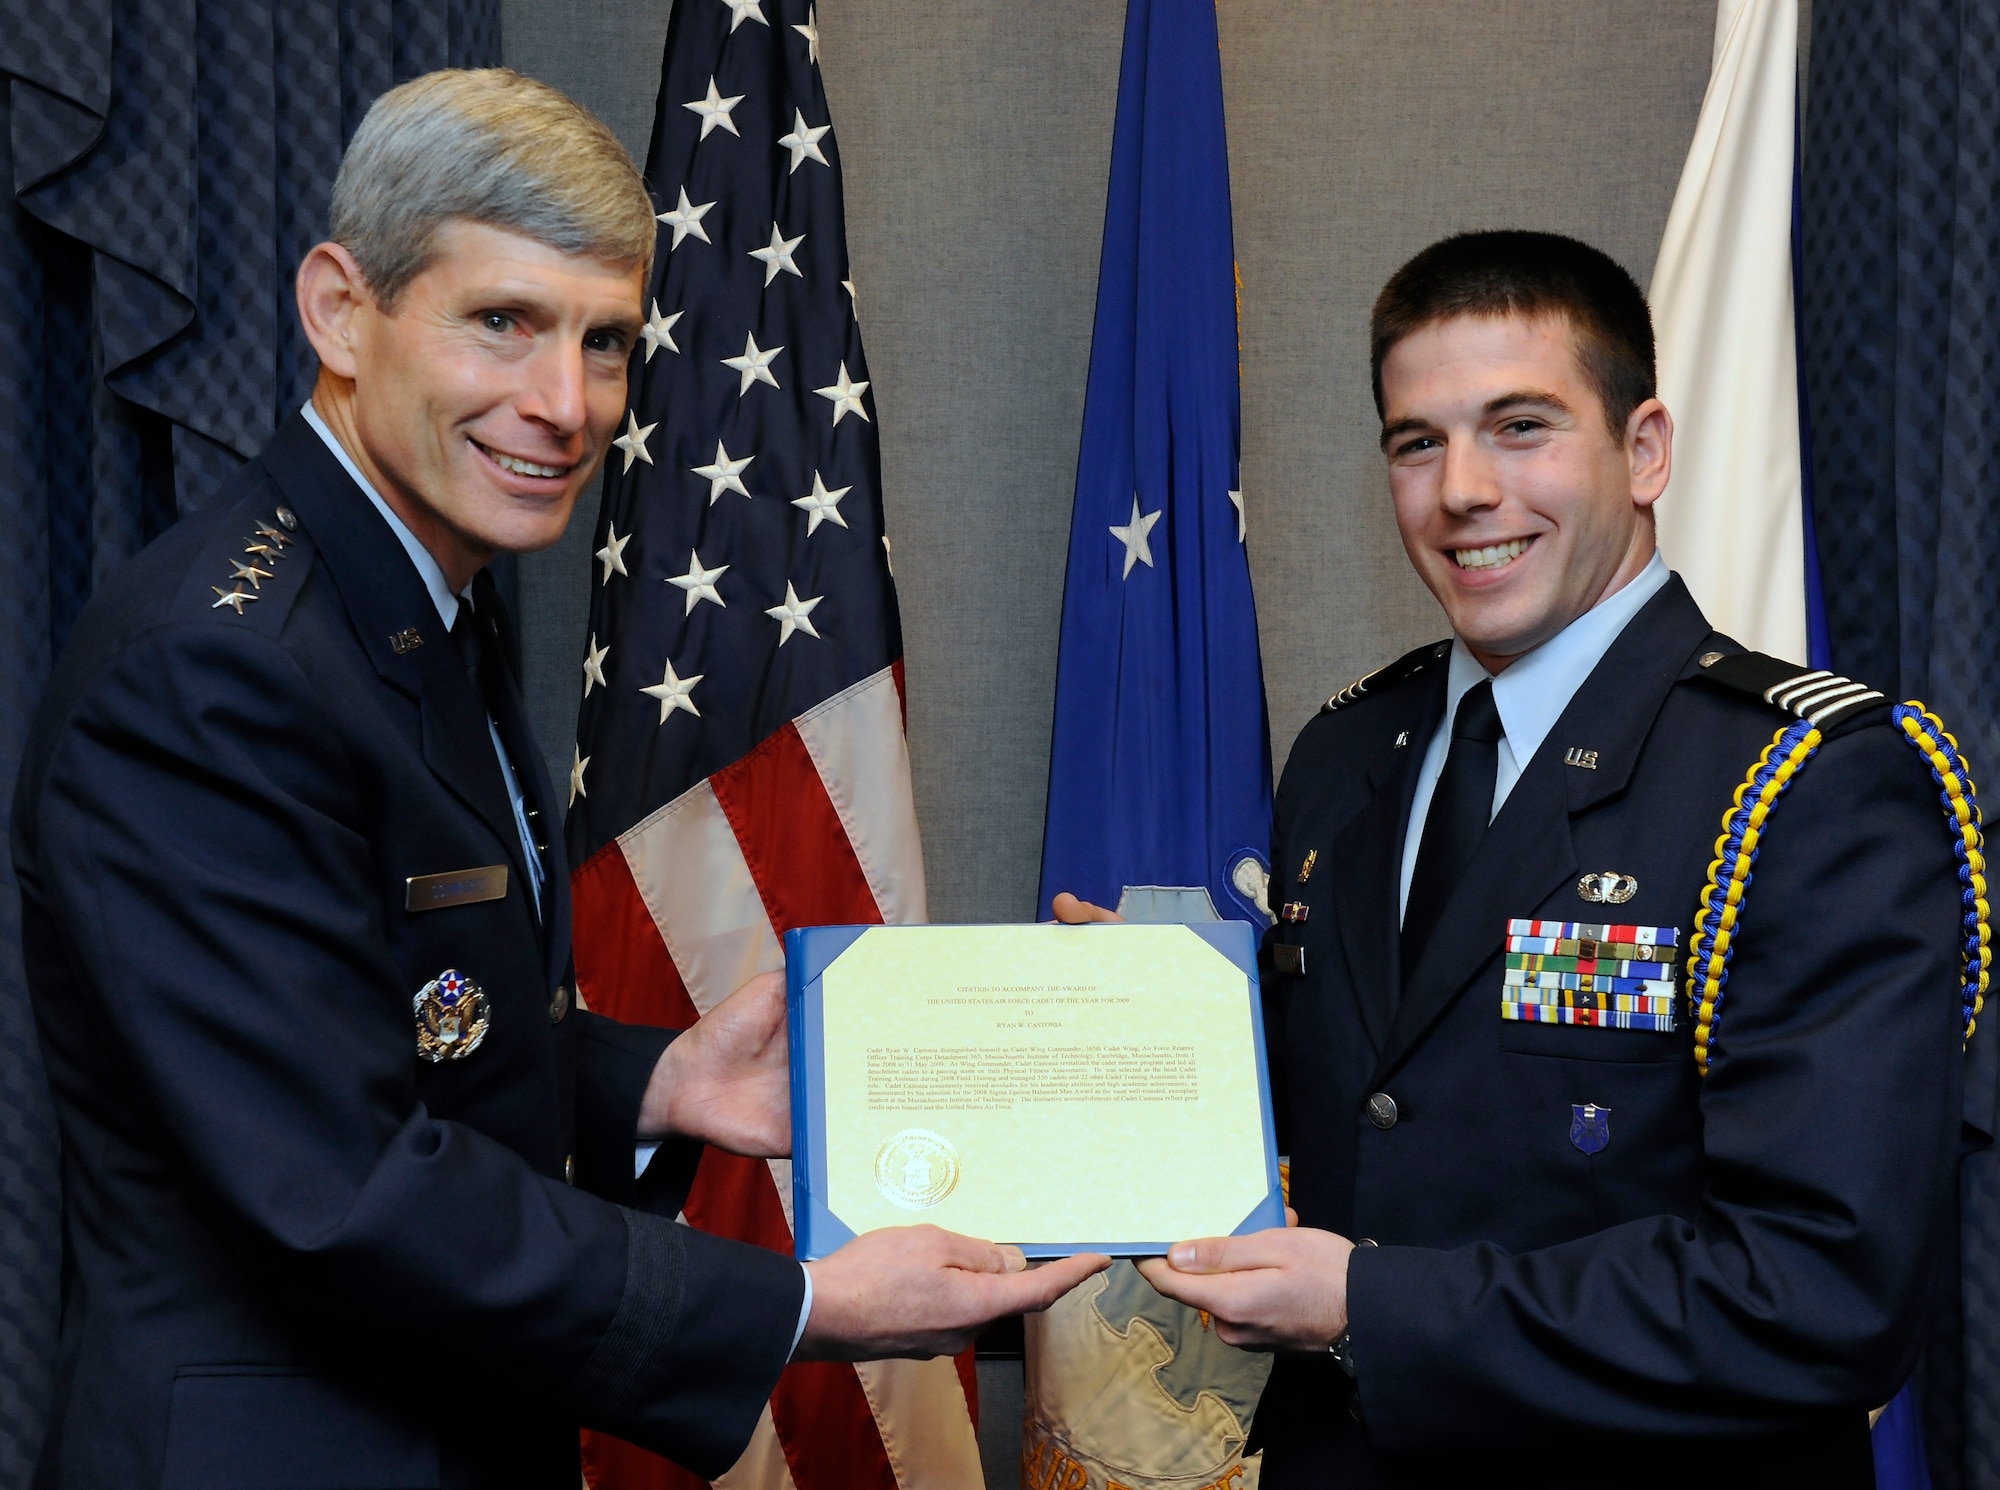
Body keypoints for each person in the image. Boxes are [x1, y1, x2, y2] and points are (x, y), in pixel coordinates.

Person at [12, 69, 1105, 1490]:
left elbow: (409, 1014)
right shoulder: (214, 673)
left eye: (604, 343)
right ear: (342, 309)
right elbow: (340, 1190)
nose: (566, 404)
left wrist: (660, 1083)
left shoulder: (400, 601)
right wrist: (793, 1305)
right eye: (504, 323)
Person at [1059, 230, 1978, 1486]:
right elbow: (1400, 1094)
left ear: (1643, 449)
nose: (1462, 491)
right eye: (1415, 442)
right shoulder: (1344, 750)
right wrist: (1165, 1030)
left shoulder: (1809, 782)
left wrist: (1368, 1305)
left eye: (1520, 426)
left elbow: (1821, 1290)